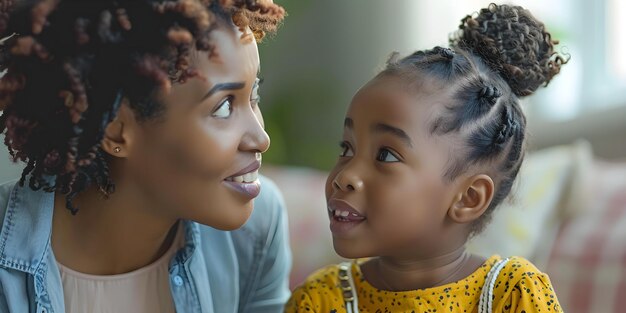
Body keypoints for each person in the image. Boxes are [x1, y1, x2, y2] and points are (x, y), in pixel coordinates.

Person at [0, 1, 290, 312]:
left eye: (253, 95)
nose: (262, 138)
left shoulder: (256, 231)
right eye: (223, 108)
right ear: (115, 131)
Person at [286, 3, 568, 313]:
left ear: (468, 198)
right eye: (346, 149)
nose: (344, 176)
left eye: (385, 155)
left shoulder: (513, 295)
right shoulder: (319, 301)